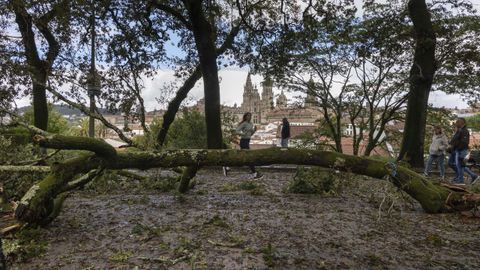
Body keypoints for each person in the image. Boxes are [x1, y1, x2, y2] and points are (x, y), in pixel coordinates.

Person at [447, 118, 479, 185]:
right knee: (451, 163)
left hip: (460, 151)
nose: (456, 123)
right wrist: (450, 147)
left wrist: (457, 149)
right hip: (455, 150)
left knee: (460, 166)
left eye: (457, 122)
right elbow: (454, 140)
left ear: (462, 123)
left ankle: (460, 180)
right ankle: (472, 176)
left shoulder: (464, 131)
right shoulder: (459, 130)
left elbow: (464, 142)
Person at [235, 112, 263, 179]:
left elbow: (250, 134)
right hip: (243, 141)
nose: (249, 117)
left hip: (247, 141)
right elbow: (237, 131)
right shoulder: (244, 123)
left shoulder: (251, 124)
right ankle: (254, 173)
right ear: (245, 117)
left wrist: (254, 130)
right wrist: (243, 134)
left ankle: (227, 166)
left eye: (250, 116)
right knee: (249, 158)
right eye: (248, 116)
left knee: (244, 158)